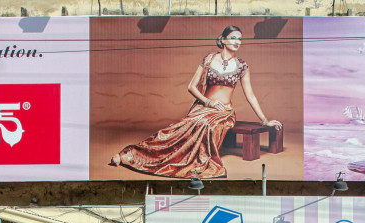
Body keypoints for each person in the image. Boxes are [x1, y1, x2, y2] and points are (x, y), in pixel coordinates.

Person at [110, 25, 283, 178]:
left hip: (223, 113)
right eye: (233, 38)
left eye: (240, 39)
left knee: (205, 126)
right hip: (203, 108)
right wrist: (208, 102)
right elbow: (191, 87)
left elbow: (250, 95)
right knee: (175, 130)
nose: (237, 42)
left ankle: (193, 163)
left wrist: (265, 120)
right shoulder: (208, 59)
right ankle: (132, 155)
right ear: (223, 40)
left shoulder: (242, 65)